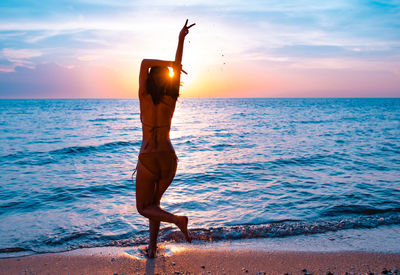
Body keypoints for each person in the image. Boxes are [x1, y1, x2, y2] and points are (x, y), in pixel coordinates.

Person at [135, 20, 195, 258]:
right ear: (167, 80)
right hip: (169, 157)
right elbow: (177, 66)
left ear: (150, 80)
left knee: (143, 208)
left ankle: (177, 220)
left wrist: (167, 63)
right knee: (154, 206)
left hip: (149, 157)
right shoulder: (171, 97)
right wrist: (181, 39)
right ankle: (152, 249)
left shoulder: (144, 96)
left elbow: (144, 63)